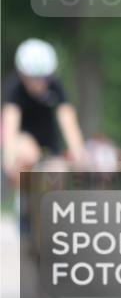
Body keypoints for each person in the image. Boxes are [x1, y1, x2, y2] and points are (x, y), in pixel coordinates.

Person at [2, 39, 87, 187]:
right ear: (23, 75)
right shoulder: (14, 87)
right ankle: (23, 196)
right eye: (33, 78)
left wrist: (79, 153)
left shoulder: (55, 86)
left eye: (44, 78)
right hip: (23, 139)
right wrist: (9, 157)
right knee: (28, 153)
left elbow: (67, 119)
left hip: (48, 141)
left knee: (59, 173)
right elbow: (10, 122)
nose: (39, 83)